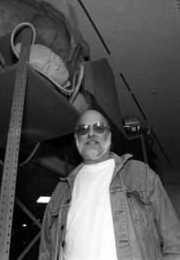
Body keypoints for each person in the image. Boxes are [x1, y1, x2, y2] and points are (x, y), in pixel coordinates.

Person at [38, 109, 180, 260]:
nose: (90, 134)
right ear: (76, 138)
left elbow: (174, 244)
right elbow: (46, 252)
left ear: (109, 136)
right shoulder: (61, 190)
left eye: (98, 127)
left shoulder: (139, 174)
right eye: (83, 129)